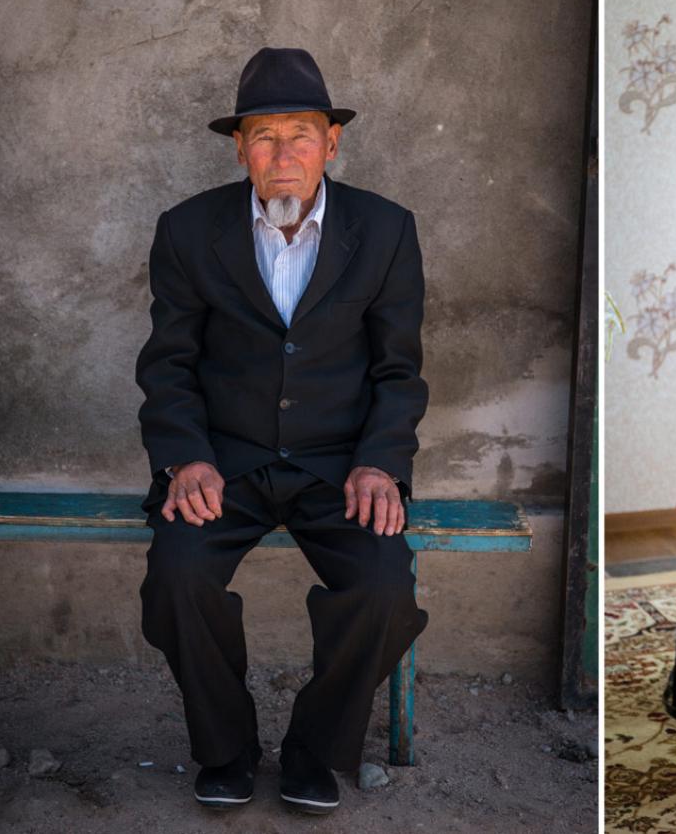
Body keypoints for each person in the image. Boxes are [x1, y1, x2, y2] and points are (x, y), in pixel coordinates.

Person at [135, 47, 429, 814]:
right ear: (240, 149)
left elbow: (398, 372)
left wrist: (380, 465)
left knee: (383, 590)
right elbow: (168, 365)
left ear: (332, 143)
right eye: (264, 138)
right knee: (176, 580)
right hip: (223, 463)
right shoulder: (189, 231)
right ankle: (227, 750)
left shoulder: (387, 230)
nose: (284, 155)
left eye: (301, 135)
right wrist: (184, 460)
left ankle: (312, 751)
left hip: (340, 466)